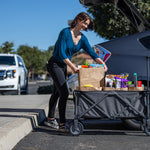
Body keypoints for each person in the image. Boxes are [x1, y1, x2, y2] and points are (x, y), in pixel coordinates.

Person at [44, 12, 108, 132]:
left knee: (57, 92)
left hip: (63, 65)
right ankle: (62, 124)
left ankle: (50, 118)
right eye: (84, 23)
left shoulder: (82, 38)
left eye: (87, 25)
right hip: (54, 64)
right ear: (78, 20)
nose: (85, 26)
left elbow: (92, 52)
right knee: (63, 92)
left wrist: (102, 63)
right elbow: (62, 53)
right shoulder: (65, 33)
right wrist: (73, 67)